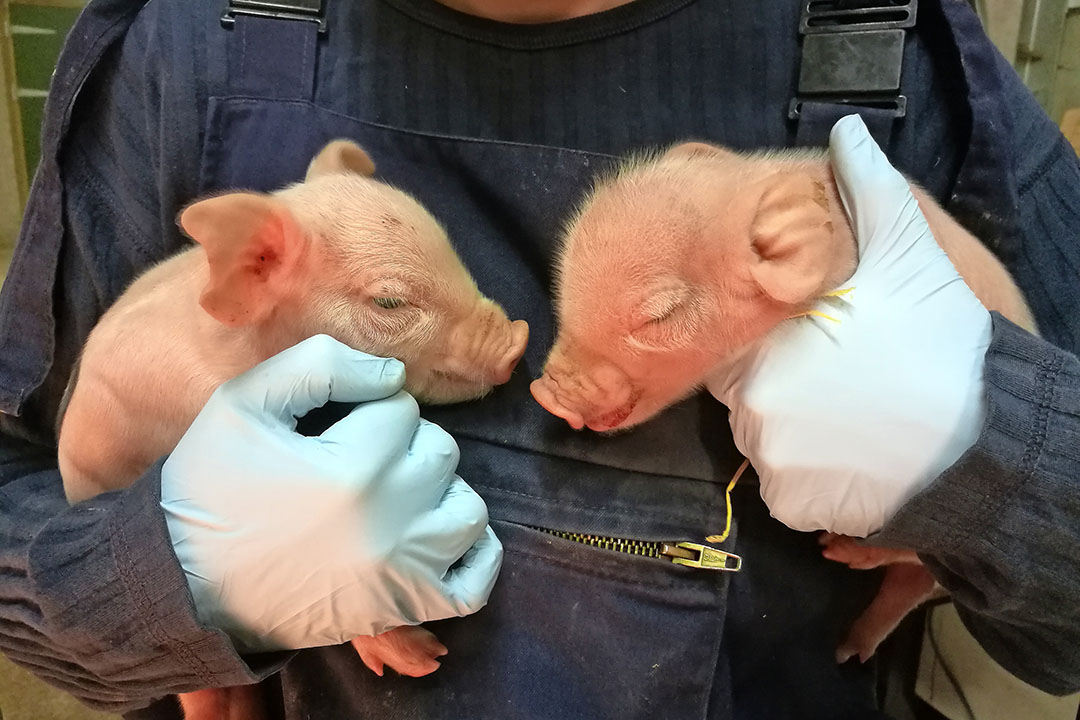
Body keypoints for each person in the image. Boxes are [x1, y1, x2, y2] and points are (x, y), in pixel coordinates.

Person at [0, 0, 1076, 718]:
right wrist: (176, 575)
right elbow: (30, 522)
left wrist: (996, 450)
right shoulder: (191, 46)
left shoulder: (891, 47)